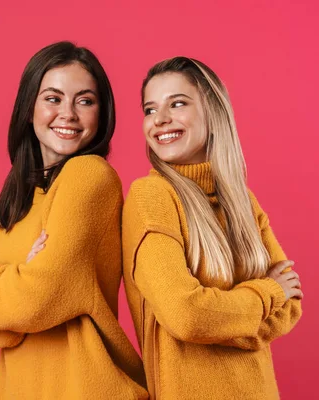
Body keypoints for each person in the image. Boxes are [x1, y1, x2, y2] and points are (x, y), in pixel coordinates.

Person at [0, 41, 147, 400]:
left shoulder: (90, 176)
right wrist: (17, 281)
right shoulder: (20, 195)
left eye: (85, 101)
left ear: (101, 114)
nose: (68, 114)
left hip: (84, 388)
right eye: (53, 98)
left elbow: (39, 298)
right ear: (29, 108)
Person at [122, 56, 303, 400]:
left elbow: (292, 306)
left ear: (212, 111)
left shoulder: (242, 201)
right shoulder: (151, 197)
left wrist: (223, 319)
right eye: (149, 109)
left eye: (177, 104)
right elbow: (186, 315)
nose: (159, 120)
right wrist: (266, 294)